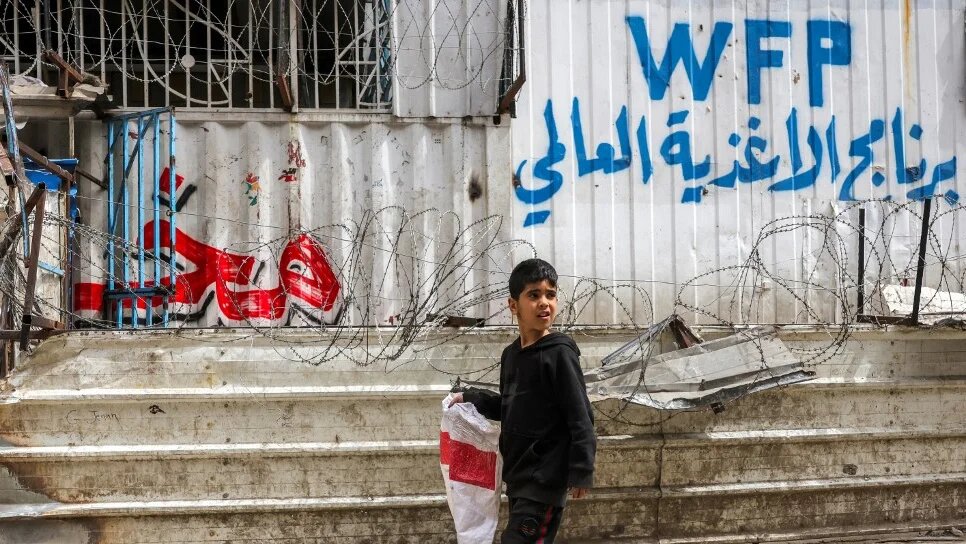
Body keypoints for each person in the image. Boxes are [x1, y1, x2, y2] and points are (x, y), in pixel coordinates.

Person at [449, 258, 596, 543]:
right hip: (518, 477)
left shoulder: (560, 354)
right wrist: (469, 399)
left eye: (550, 295)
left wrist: (582, 469)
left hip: (545, 479)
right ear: (513, 305)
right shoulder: (511, 355)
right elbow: (509, 405)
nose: (544, 303)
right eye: (534, 295)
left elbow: (581, 415)